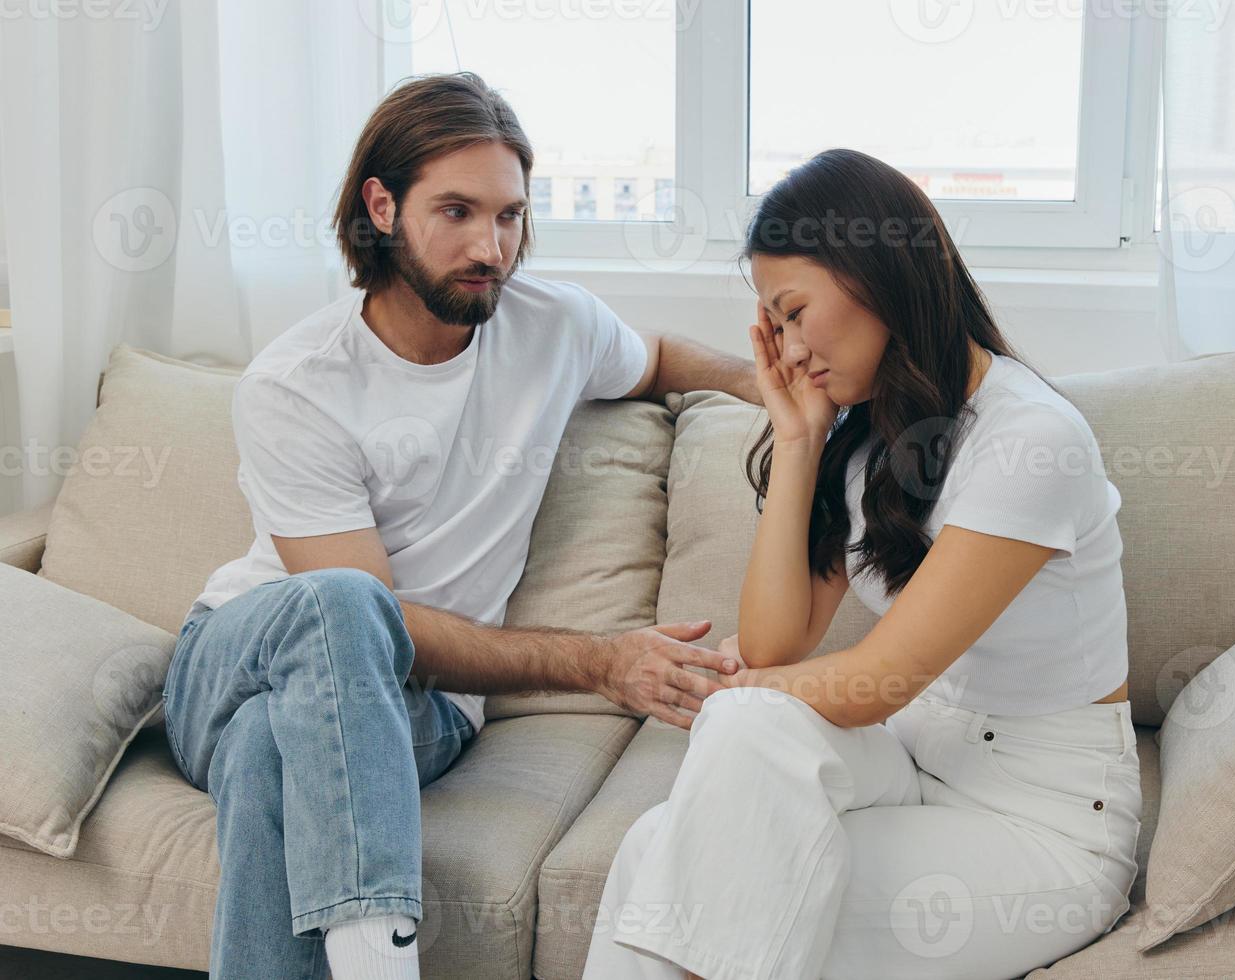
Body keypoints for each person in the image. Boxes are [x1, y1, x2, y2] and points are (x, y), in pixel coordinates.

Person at [160, 71, 759, 980]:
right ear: (383, 205)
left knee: (270, 752)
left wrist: (781, 391)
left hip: (419, 712)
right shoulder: (298, 384)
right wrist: (600, 660)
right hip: (234, 659)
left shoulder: (553, 325)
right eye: (458, 212)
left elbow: (662, 358)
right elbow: (375, 621)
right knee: (342, 607)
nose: (492, 246)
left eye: (511, 215)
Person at [583, 148, 1142, 980]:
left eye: (796, 311)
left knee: (672, 871)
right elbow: (776, 645)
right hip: (917, 764)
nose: (788, 346)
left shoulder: (1031, 441)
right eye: (773, 325)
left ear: (876, 272)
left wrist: (729, 691)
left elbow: (876, 683)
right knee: (668, 831)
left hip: (1041, 822)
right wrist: (802, 439)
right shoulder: (866, 439)